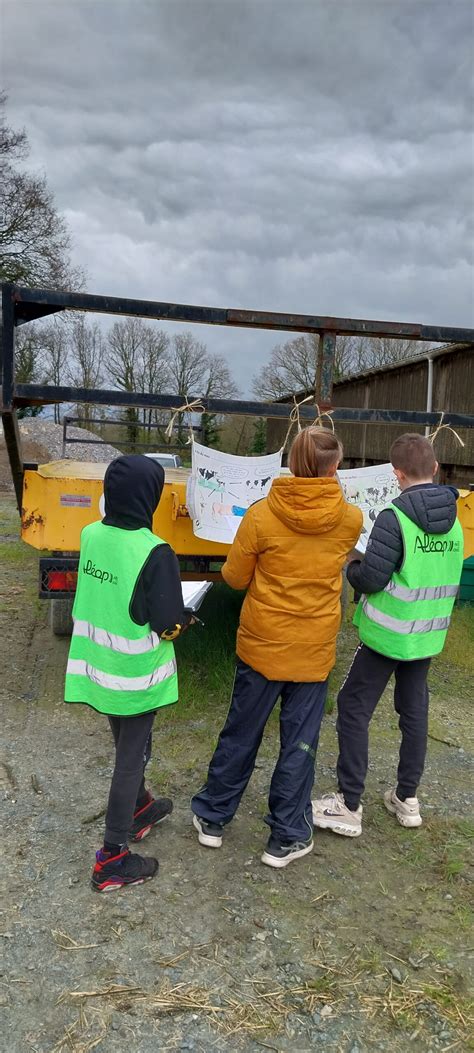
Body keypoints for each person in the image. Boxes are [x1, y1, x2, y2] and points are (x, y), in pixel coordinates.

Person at [191, 428, 363, 868]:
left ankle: (212, 818)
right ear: (335, 466)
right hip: (312, 650)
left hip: (262, 647)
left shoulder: (261, 515)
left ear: (292, 460)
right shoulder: (350, 519)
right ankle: (286, 836)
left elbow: (233, 577)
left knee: (241, 731)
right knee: (300, 743)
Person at [312, 434, 464, 838]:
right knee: (414, 712)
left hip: (387, 635)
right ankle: (407, 798)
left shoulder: (394, 517)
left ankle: (348, 802)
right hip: (426, 636)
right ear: (434, 469)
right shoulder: (455, 518)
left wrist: (352, 567)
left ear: (396, 474)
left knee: (353, 706)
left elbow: (375, 578)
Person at [65, 455, 191, 892]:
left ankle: (140, 808)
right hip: (135, 676)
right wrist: (185, 618)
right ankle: (112, 858)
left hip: (97, 667)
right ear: (150, 497)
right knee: (130, 757)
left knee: (124, 744)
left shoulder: (90, 534)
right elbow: (168, 624)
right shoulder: (154, 551)